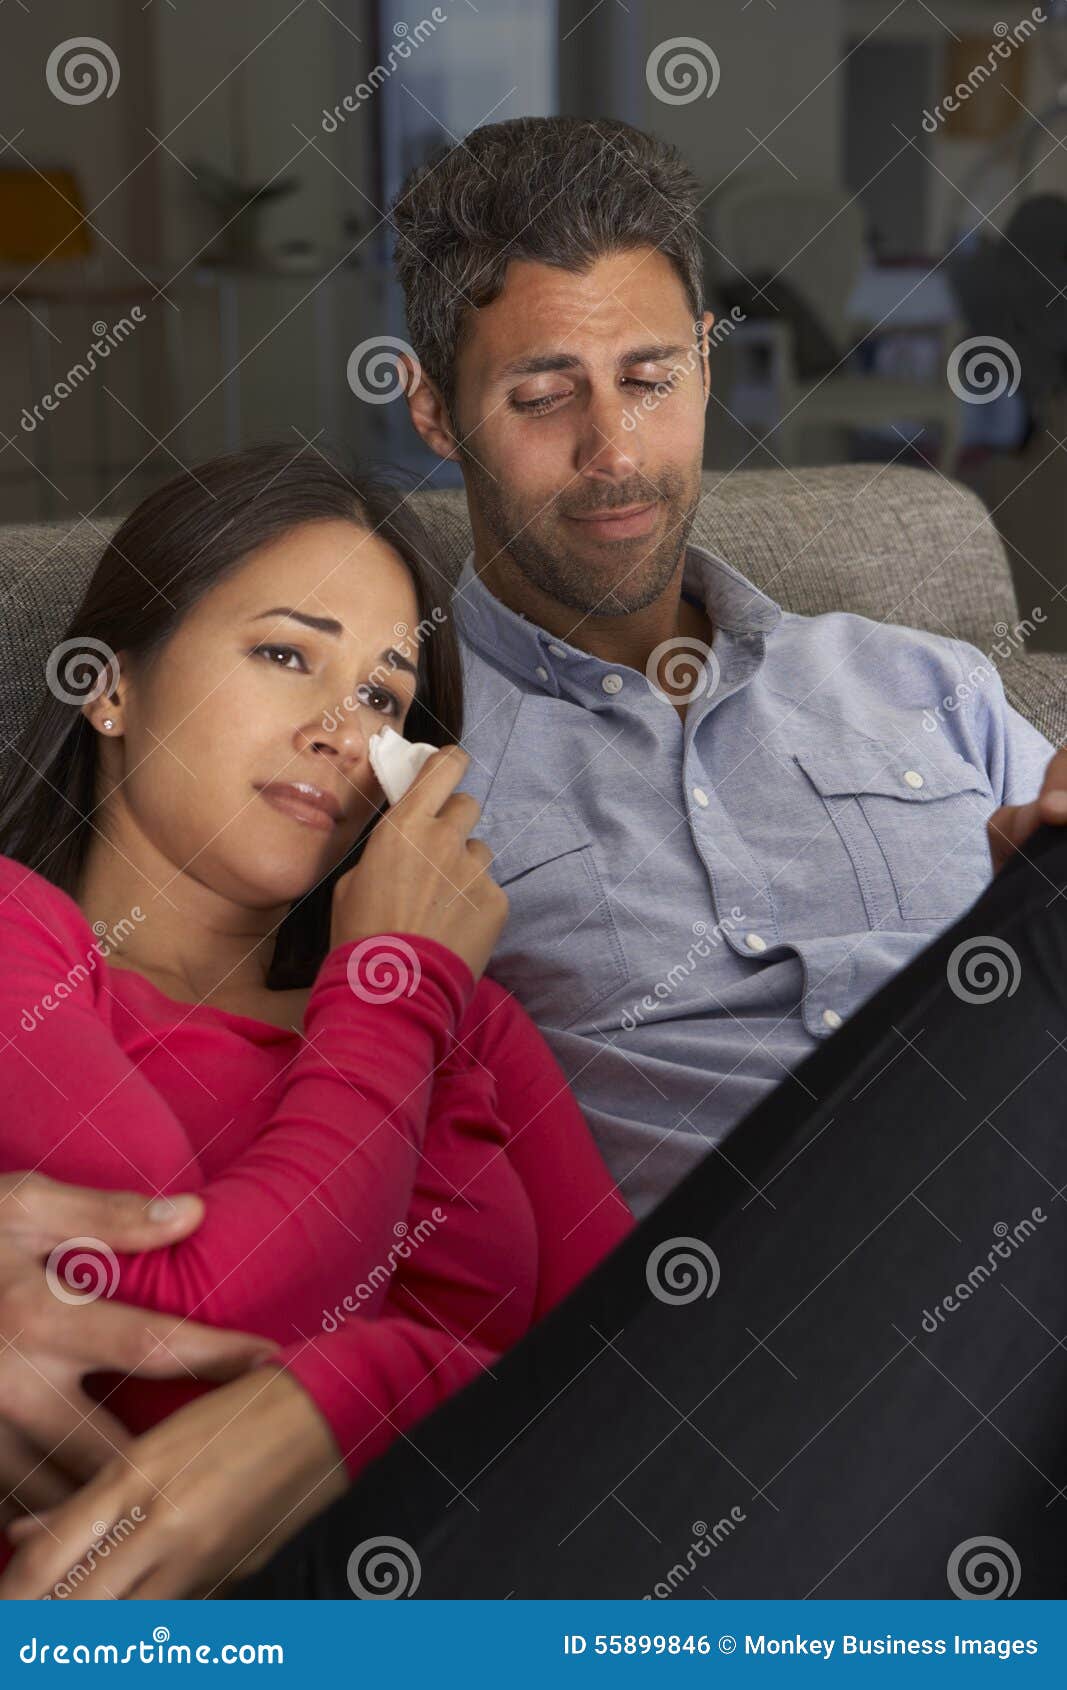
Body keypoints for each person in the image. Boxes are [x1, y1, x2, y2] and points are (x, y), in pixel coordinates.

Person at [2, 113, 1067, 1599]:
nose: (613, 449)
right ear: (434, 408)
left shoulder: (930, 685)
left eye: (650, 376)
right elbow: (233, 1211)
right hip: (733, 1414)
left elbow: (511, 1319)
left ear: (705, 356)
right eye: (541, 393)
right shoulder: (415, 788)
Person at [0, 443, 633, 1593]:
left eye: (383, 698)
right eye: (285, 652)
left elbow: (649, 1394)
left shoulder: (469, 1024)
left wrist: (372, 1395)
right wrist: (390, 985)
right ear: (111, 681)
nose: (341, 731)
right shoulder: (16, 939)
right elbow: (186, 1320)